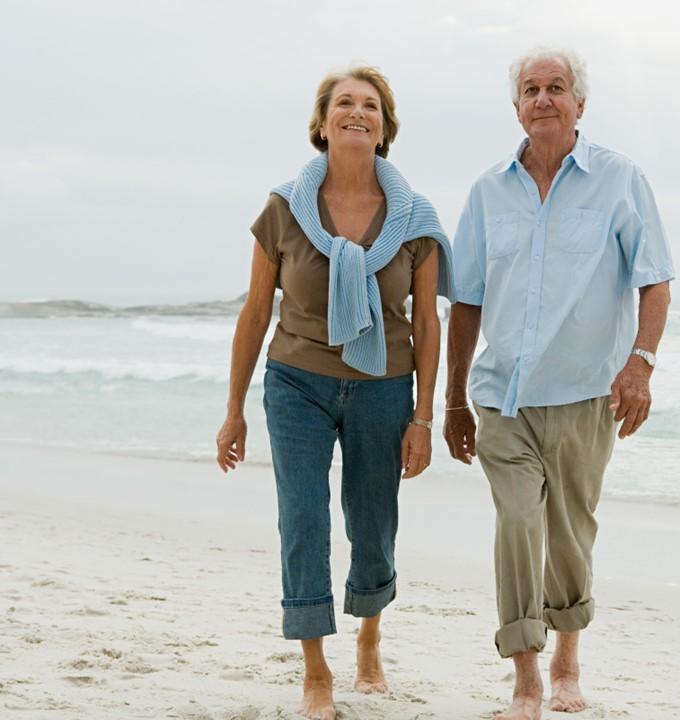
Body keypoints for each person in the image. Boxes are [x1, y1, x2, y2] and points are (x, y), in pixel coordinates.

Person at [214, 65, 453, 720]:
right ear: (322, 125)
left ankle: (370, 640)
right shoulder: (283, 208)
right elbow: (256, 311)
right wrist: (233, 409)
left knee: (373, 524)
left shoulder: (416, 219)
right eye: (343, 103)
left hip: (383, 387)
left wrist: (424, 416)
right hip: (296, 381)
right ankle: (316, 669)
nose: (357, 112)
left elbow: (429, 323)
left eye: (369, 105)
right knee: (303, 517)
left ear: (385, 126)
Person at [443, 47, 674, 720]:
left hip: (583, 395)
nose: (543, 98)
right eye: (531, 89)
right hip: (502, 398)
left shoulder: (619, 179)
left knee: (571, 531)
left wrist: (642, 362)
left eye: (557, 88)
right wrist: (453, 398)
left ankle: (569, 656)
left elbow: (654, 279)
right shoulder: (489, 191)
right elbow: (466, 301)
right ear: (516, 106)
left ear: (579, 103)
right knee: (518, 522)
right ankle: (526, 678)